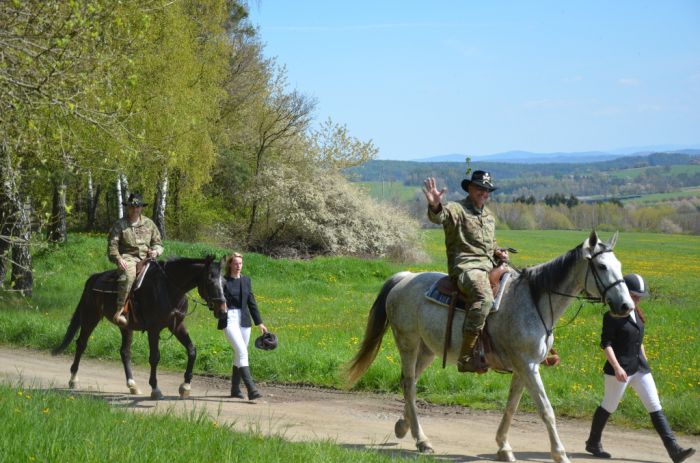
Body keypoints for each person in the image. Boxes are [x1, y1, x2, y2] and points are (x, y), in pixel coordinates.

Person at [585, 273, 695, 462]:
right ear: (625, 293)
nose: (637, 300)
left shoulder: (638, 314)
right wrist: (617, 367)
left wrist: (645, 359)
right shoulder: (612, 316)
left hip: (640, 369)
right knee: (608, 405)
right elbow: (606, 344)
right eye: (634, 296)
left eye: (639, 297)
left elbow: (639, 341)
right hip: (619, 371)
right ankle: (593, 443)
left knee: (655, 406)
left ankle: (674, 450)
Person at [423, 170, 508, 372]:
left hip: (488, 265)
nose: (483, 193)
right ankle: (466, 356)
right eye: (479, 188)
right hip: (466, 267)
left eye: (487, 190)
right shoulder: (457, 209)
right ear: (469, 188)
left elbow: (489, 244)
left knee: (521, 286)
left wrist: (498, 253)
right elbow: (439, 216)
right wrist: (435, 205)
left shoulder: (488, 216)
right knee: (485, 299)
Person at [107, 193, 163, 328]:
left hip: (148, 258)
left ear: (141, 208)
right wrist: (118, 258)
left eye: (138, 207)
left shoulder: (149, 223)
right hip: (128, 258)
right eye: (132, 207)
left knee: (163, 275)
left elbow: (158, 243)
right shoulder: (119, 225)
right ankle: (120, 310)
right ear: (128, 207)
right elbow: (112, 246)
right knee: (128, 275)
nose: (135, 209)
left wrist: (155, 251)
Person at [218, 252, 268, 400]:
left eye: (240, 263)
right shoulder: (223, 281)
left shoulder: (246, 280)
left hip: (244, 320)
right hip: (229, 319)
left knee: (239, 354)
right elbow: (216, 300)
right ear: (230, 265)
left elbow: (251, 302)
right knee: (242, 352)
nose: (238, 266)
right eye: (235, 263)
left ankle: (234, 389)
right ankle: (251, 389)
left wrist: (259, 322)